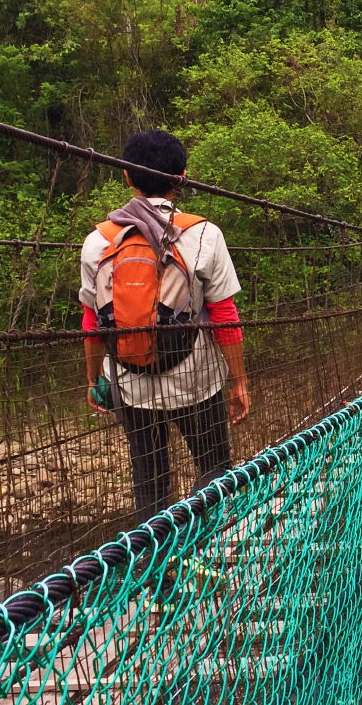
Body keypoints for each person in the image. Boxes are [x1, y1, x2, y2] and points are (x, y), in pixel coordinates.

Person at [80, 129, 251, 523]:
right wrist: (238, 379)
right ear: (183, 176)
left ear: (126, 176)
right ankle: (197, 544)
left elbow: (91, 323)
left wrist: (93, 378)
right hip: (196, 381)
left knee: (150, 480)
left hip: (128, 382)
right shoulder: (204, 234)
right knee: (213, 467)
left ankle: (155, 566)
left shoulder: (98, 241)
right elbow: (224, 316)